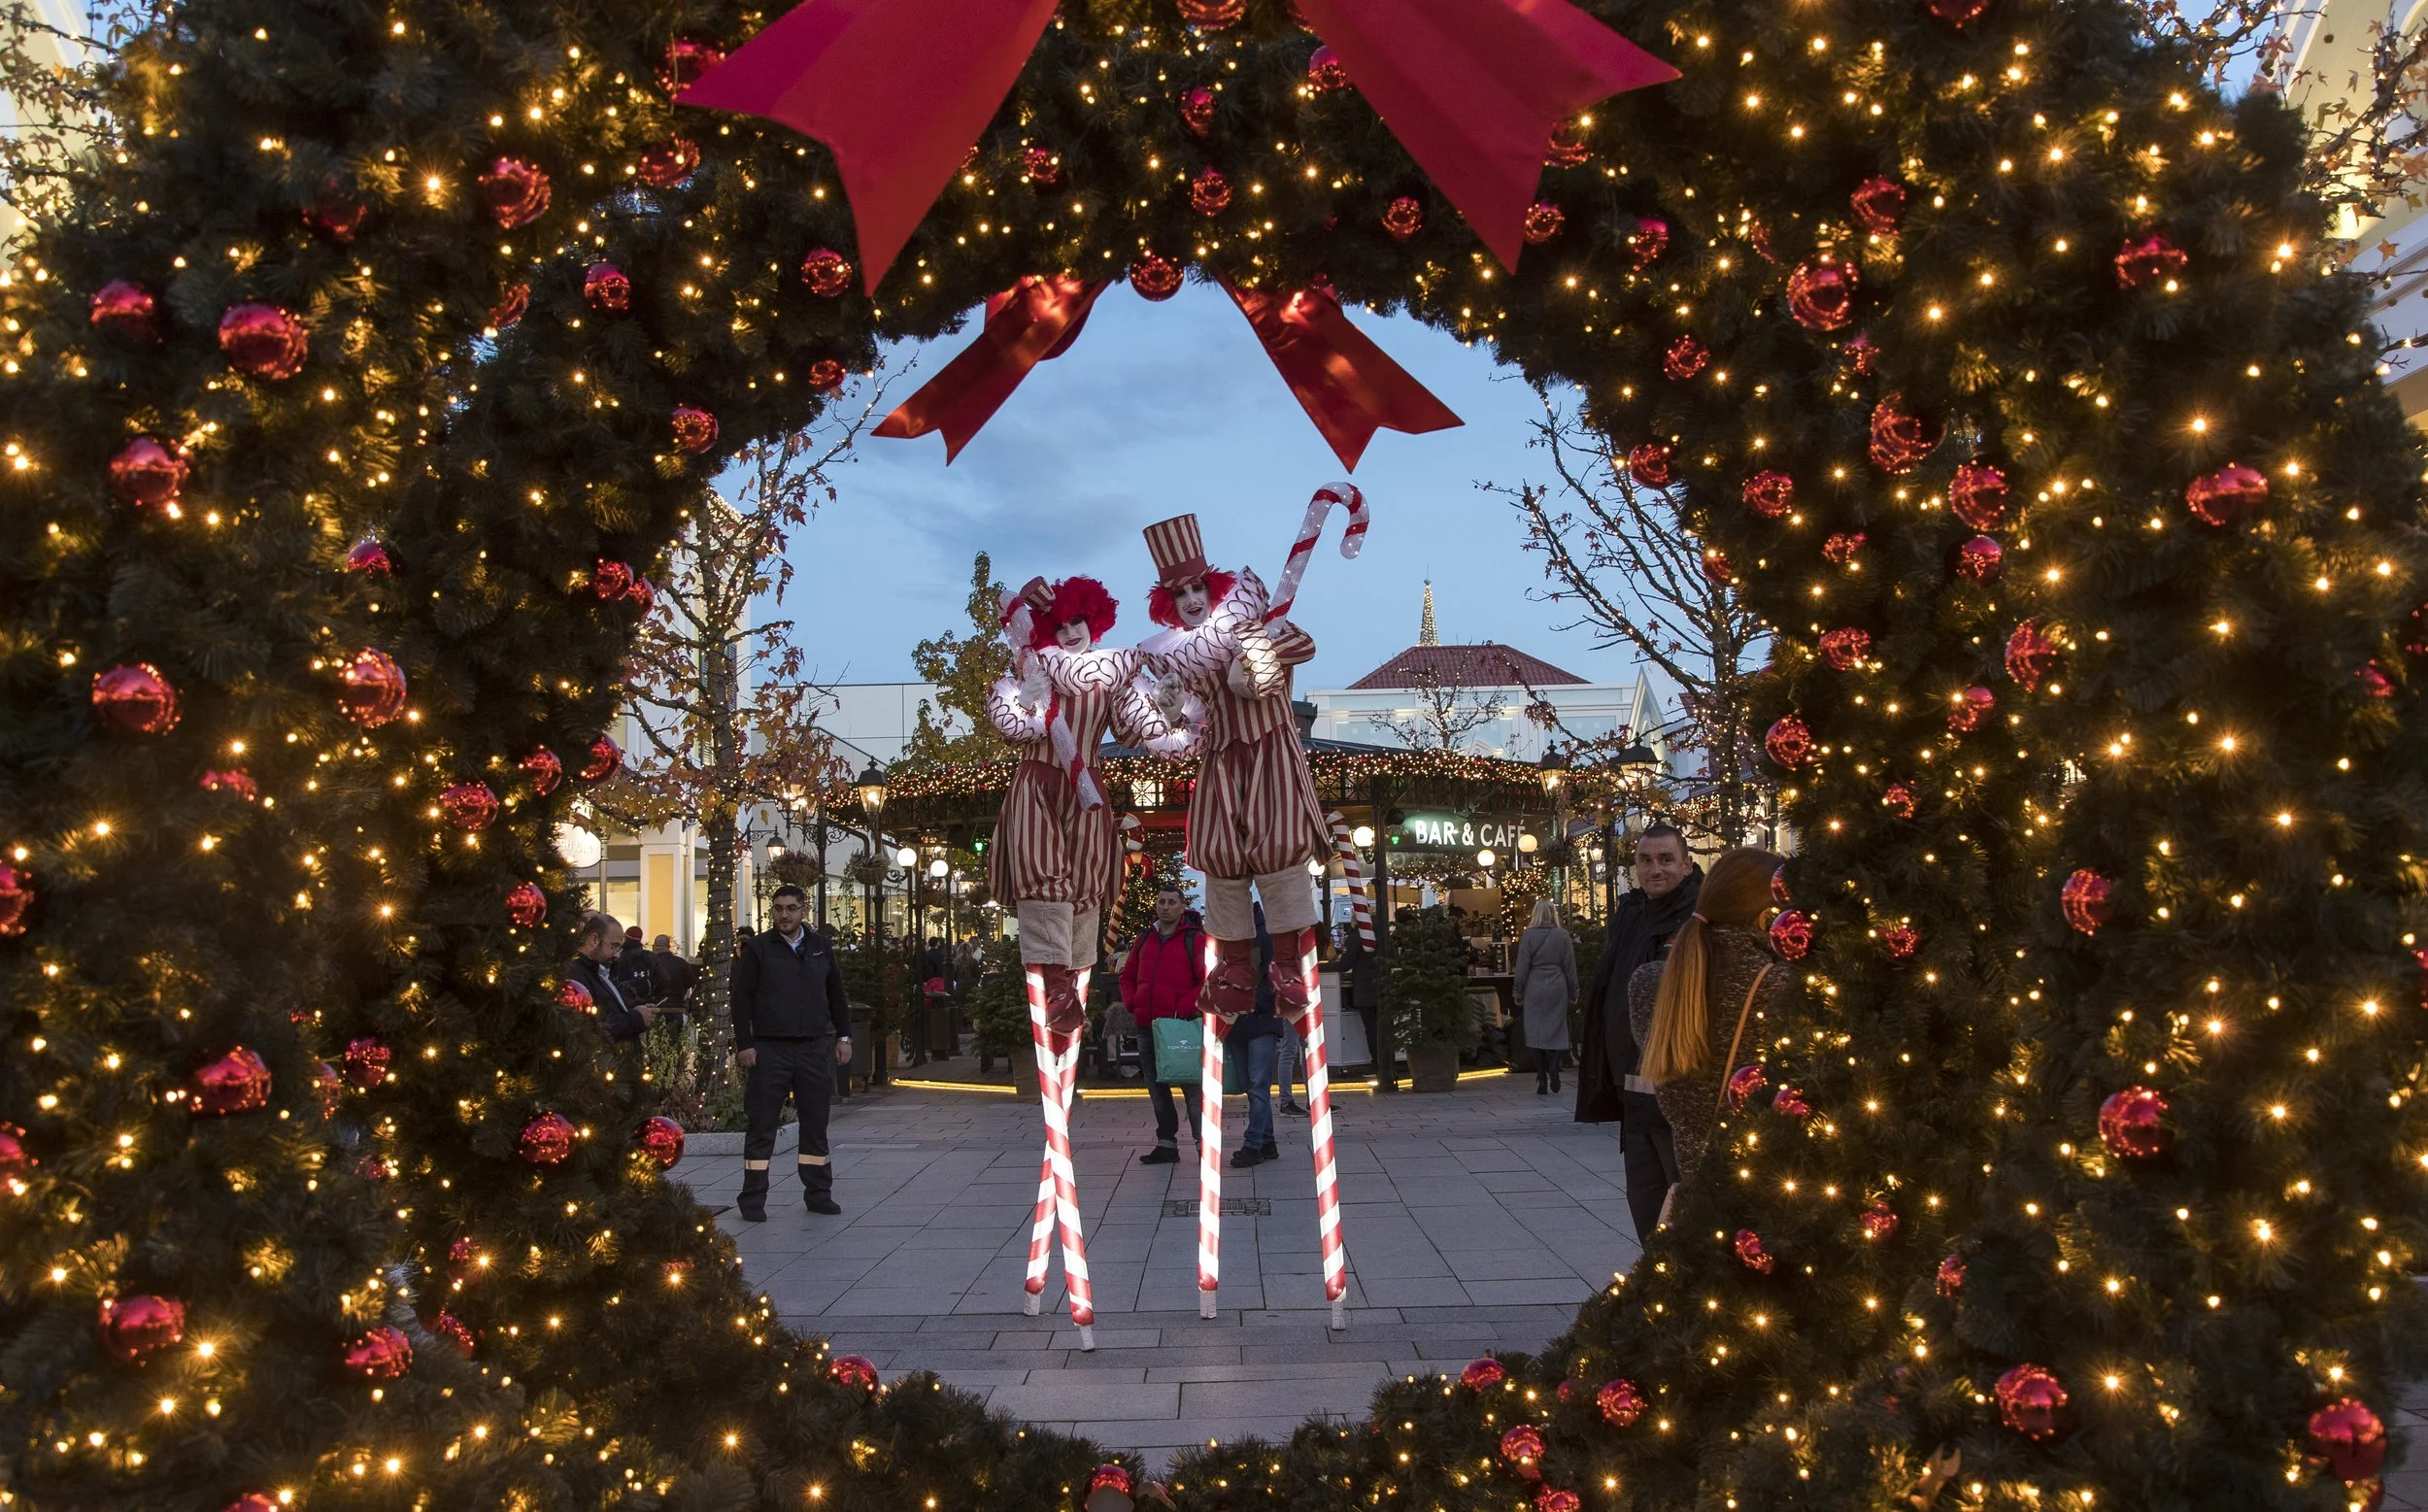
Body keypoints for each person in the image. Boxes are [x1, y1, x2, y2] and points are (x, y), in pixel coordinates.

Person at [1135, 513, 1331, 1037]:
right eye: (1179, 594)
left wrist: (1260, 647)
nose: (1191, 599)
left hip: (1270, 753)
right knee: (1221, 859)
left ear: (1213, 588)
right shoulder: (1182, 661)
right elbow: (1190, 732)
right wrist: (1173, 713)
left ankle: (1287, 965)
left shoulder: (1254, 622)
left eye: (1196, 587)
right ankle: (1236, 969)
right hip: (1221, 761)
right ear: (1169, 605)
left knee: (1279, 849)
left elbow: (1303, 645)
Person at [987, 573, 1184, 1031]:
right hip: (1038, 781)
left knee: (1087, 880)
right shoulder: (1033, 669)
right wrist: (1025, 700)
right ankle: (1055, 981)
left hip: (1088, 787)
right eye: (1059, 626)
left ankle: (1074, 978)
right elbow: (1012, 728)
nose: (1070, 632)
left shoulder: (1109, 676)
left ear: (1093, 622)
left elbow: (1132, 730)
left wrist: (1166, 710)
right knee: (1042, 873)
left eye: (1077, 621)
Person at [1631, 847, 1789, 1213]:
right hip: (1772, 1197)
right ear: (1768, 917)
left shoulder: (1652, 983)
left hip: (1697, 1198)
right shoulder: (1782, 987)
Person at [1574, 823, 1703, 1241]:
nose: (1655, 869)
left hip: (1678, 1092)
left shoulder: (1699, 919)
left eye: (1666, 859)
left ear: (1686, 864)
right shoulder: (1632, 914)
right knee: (1648, 1215)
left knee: (1684, 1216)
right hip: (1634, 1091)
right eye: (1645, 860)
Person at [729, 884, 853, 1220]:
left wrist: (844, 1037)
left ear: (803, 910)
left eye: (791, 908)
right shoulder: (759, 948)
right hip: (770, 1049)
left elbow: (836, 994)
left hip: (813, 1047)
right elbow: (741, 999)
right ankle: (752, 1200)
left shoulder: (820, 947)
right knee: (762, 1124)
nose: (784, 915)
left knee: (816, 1122)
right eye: (779, 908)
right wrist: (745, 1044)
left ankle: (819, 1194)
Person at [1119, 885, 1203, 1164]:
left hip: (1179, 1026)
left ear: (1182, 906)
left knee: (1191, 1086)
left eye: (1171, 902)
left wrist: (1183, 1008)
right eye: (1161, 902)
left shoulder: (1194, 939)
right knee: (1156, 1087)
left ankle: (1204, 1143)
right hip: (1147, 1026)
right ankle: (1167, 1144)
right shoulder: (1145, 938)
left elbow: (1206, 979)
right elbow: (1127, 975)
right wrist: (1133, 1002)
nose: (1165, 907)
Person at [1226, 904, 1285, 1167]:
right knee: (1251, 1085)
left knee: (1257, 1083)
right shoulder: (1227, 932)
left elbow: (1275, 974)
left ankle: (1253, 1144)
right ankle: (1267, 1141)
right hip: (1239, 1019)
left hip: (1258, 1018)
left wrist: (1254, 1002)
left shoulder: (1265, 933)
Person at [1512, 898, 1578, 1095]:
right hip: (1557, 984)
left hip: (1534, 985)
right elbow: (1570, 966)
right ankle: (1554, 1066)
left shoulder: (1528, 935)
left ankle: (1542, 1079)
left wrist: (1518, 991)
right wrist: (1574, 991)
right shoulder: (1562, 935)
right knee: (1558, 1029)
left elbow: (1522, 967)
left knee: (1535, 1033)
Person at [569, 912, 661, 1042]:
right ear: (594, 940)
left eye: (619, 948)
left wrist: (635, 1012)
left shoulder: (599, 973)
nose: (617, 955)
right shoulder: (577, 975)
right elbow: (591, 1030)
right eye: (614, 946)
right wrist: (637, 1018)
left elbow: (610, 1014)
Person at [1334, 922, 1382, 1074]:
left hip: (1364, 989)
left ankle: (1377, 1063)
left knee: (1371, 1028)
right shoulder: (1381, 934)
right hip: (1382, 988)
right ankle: (1387, 1062)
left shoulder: (1355, 937)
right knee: (1382, 1028)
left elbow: (1344, 965)